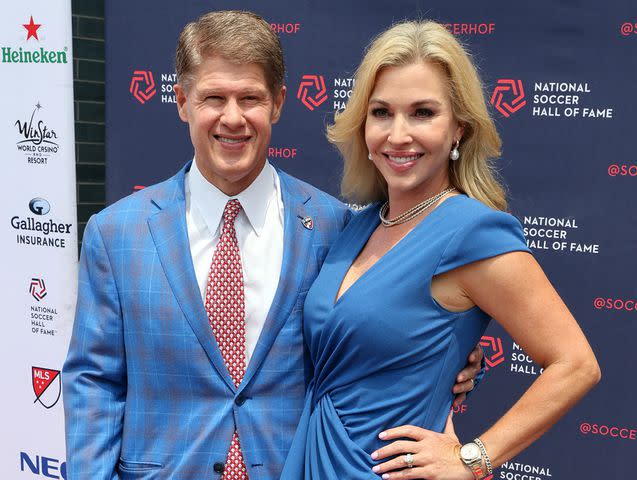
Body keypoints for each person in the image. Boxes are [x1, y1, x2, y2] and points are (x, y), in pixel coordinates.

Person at [62, 11, 481, 479]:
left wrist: (456, 363)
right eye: (214, 98)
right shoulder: (116, 233)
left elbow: (387, 335)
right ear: (181, 101)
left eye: (251, 98)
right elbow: (93, 383)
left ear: (278, 103)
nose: (233, 117)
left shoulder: (335, 228)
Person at [280, 20, 600, 479]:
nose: (398, 134)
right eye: (382, 112)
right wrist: (456, 361)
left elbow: (576, 364)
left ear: (459, 130)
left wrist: (474, 458)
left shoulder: (472, 232)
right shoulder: (359, 225)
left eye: (423, 113)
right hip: (313, 460)